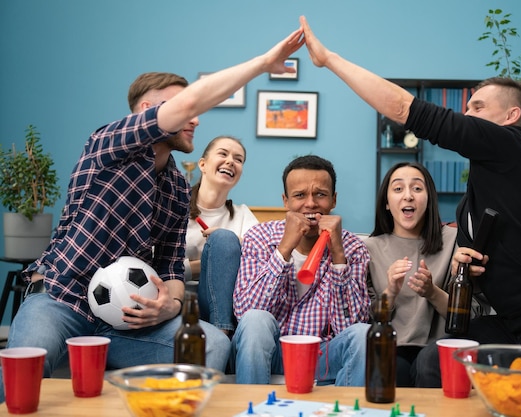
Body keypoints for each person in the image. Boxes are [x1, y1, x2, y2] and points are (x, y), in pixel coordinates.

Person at [300, 15, 521, 403]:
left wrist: (329, 59)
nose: (466, 115)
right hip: (510, 327)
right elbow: (479, 281)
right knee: (435, 361)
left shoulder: (512, 145)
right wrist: (470, 264)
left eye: (478, 107)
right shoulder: (473, 202)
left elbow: (404, 107)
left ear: (510, 117)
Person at [0, 26, 305, 402]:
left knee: (212, 345)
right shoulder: (107, 145)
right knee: (17, 385)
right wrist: (262, 64)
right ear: (148, 113)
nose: (195, 120)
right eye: (184, 109)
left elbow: (171, 270)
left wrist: (169, 305)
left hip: (125, 323)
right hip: (61, 300)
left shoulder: (178, 188)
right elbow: (190, 105)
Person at [231, 155, 371, 385]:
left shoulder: (353, 247)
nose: (311, 204)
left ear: (333, 200)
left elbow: (351, 325)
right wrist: (284, 249)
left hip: (322, 357)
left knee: (364, 334)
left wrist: (338, 256)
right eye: (299, 195)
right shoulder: (259, 237)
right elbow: (247, 314)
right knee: (256, 320)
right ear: (285, 201)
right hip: (272, 352)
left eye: (321, 194)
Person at [365, 161, 488, 387]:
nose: (408, 196)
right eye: (398, 188)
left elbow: (470, 316)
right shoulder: (369, 249)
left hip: (440, 347)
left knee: (428, 362)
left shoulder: (454, 242)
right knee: (392, 366)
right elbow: (368, 318)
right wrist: (391, 291)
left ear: (429, 199)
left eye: (417, 188)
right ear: (386, 203)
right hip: (393, 346)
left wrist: (432, 292)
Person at [185, 135, 258, 337]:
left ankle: (222, 333)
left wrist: (228, 246)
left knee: (225, 239)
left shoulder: (243, 214)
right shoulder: (174, 209)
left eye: (238, 159)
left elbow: (262, 257)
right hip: (180, 306)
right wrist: (209, 262)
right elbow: (160, 268)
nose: (230, 161)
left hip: (225, 311)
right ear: (203, 164)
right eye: (223, 154)